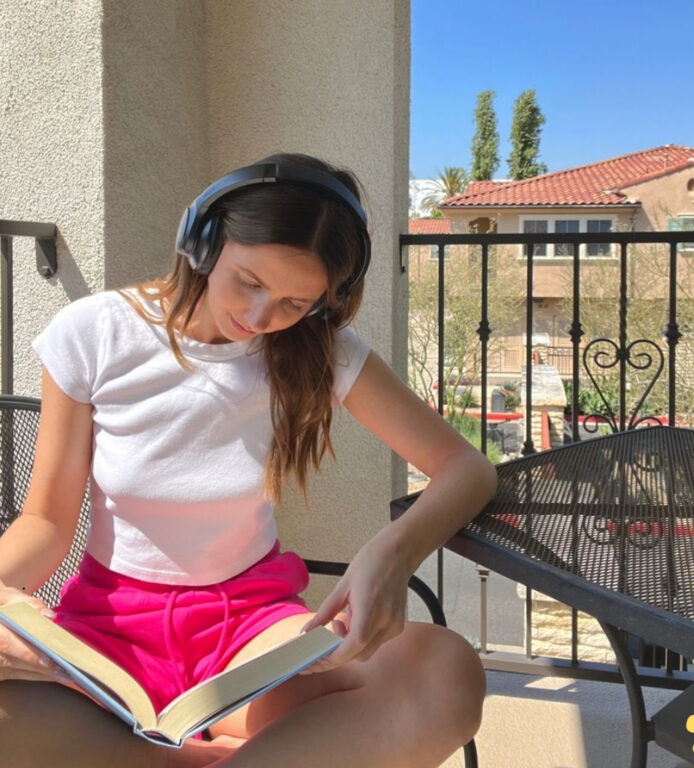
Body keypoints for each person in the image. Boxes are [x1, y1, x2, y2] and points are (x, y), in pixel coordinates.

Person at [0, 152, 497, 768]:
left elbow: (465, 467)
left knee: (444, 673)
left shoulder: (323, 352)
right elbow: (45, 523)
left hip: (247, 632)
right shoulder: (94, 333)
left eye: (295, 303)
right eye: (250, 283)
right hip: (107, 632)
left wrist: (392, 554)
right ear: (204, 242)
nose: (262, 318)